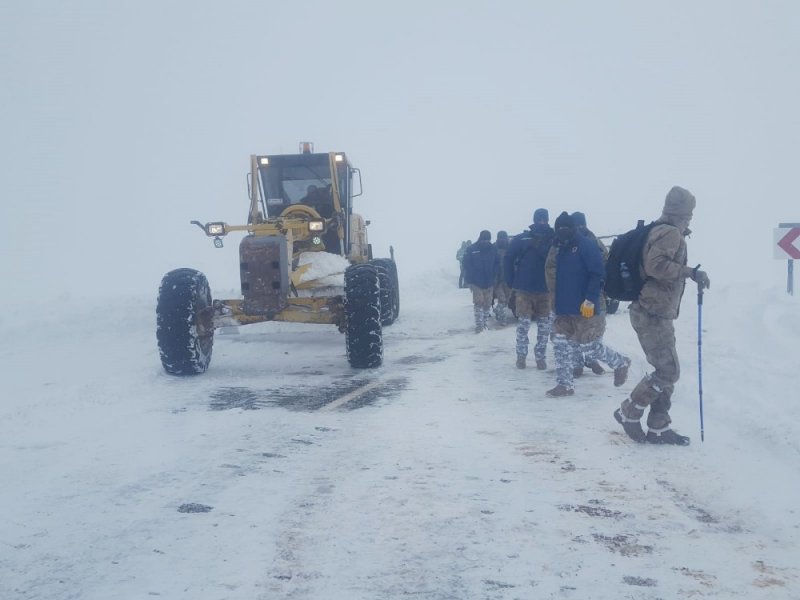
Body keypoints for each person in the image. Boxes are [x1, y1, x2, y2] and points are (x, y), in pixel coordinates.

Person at [613, 186, 710, 445]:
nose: (691, 218)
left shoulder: (660, 229)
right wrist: (691, 272)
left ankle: (659, 426)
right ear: (683, 213)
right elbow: (655, 266)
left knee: (667, 367)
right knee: (668, 371)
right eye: (689, 214)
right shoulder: (670, 233)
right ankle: (629, 410)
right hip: (652, 311)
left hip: (655, 310)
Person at [545, 212, 631, 397]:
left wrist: (590, 299)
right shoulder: (559, 247)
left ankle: (620, 362)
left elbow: (597, 273)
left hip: (584, 305)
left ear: (573, 228)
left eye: (565, 228)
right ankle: (565, 384)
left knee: (588, 345)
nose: (562, 232)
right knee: (560, 343)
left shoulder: (586, 245)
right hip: (562, 306)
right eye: (558, 229)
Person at [504, 209, 554, 369]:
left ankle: (540, 357)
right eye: (539, 219)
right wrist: (511, 281)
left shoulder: (553, 238)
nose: (542, 222)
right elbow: (508, 259)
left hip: (545, 291)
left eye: (544, 220)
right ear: (534, 220)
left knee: (544, 327)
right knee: (524, 325)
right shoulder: (522, 238)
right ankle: (521, 356)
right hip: (524, 290)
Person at [571, 211, 609, 377]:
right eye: (577, 224)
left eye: (582, 224)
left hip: (596, 292)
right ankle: (577, 362)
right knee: (576, 328)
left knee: (598, 326)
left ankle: (592, 358)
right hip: (575, 292)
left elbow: (607, 263)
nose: (580, 227)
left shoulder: (596, 242)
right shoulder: (567, 243)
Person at [463, 231, 499, 333]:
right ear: (480, 238)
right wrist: (471, 277)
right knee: (478, 302)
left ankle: (485, 323)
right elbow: (466, 264)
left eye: (487, 239)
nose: (485, 241)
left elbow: (497, 262)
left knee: (487, 303)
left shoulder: (493, 249)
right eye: (484, 239)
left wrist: (494, 273)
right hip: (476, 282)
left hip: (489, 281)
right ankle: (479, 326)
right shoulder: (472, 249)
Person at [493, 231, 512, 324]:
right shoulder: (493, 248)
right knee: (502, 299)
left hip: (508, 278)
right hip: (497, 279)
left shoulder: (511, 248)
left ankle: (498, 310)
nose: (502, 240)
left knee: (507, 299)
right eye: (500, 238)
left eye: (504, 238)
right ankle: (502, 319)